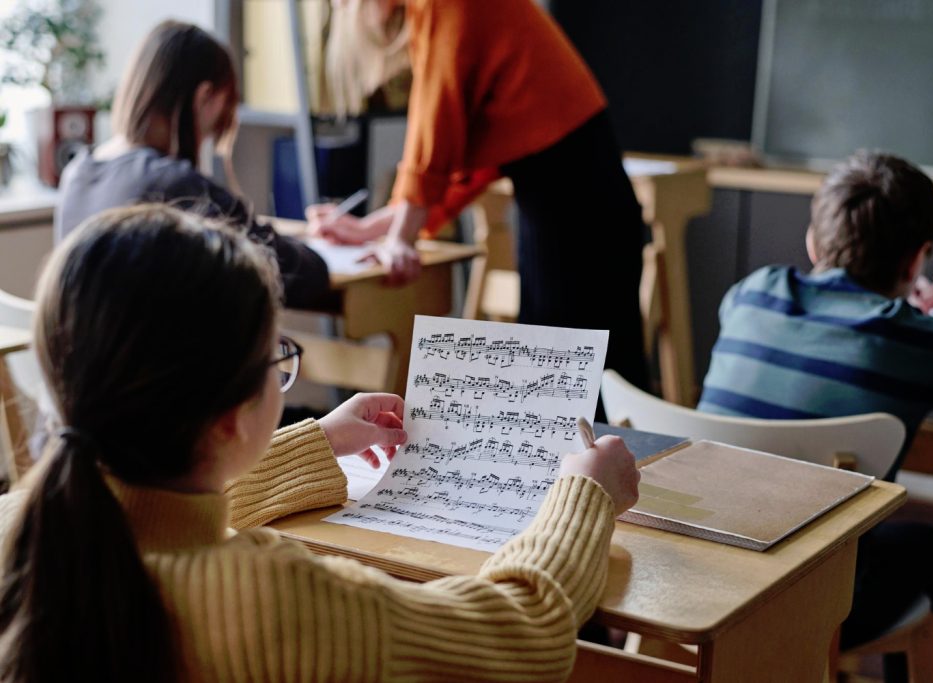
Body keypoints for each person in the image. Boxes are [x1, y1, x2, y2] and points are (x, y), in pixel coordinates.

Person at [0, 203, 639, 682]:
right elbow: (522, 634)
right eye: (275, 360)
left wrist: (316, 445)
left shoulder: (26, 533)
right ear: (229, 419)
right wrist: (584, 495)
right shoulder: (276, 601)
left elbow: (158, 519)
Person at [698, 151, 933, 682]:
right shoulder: (917, 343)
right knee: (928, 548)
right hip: (815, 606)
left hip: (696, 581)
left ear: (812, 241)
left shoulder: (750, 295)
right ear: (916, 261)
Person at [307, 0, 650, 391]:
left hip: (581, 207)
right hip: (570, 199)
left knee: (579, 373)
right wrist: (375, 229)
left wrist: (401, 237)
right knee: (571, 371)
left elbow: (435, 122)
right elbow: (467, 163)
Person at [55, 20, 331, 310]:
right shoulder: (174, 184)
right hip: (164, 355)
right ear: (205, 97)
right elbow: (302, 274)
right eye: (221, 115)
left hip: (91, 355)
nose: (211, 137)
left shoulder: (78, 172)